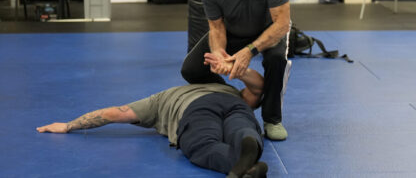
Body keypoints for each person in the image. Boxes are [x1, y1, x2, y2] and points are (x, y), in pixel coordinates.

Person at [37, 61, 268, 178]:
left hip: (195, 110)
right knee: (241, 124)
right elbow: (258, 89)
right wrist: (236, 69)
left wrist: (68, 125)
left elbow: (116, 113)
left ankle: (241, 166)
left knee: (202, 145)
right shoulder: (224, 87)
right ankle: (247, 140)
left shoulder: (161, 99)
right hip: (234, 103)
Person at [181, 0, 291, 141]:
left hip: (268, 30)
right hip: (232, 30)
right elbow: (216, 27)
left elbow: (282, 23)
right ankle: (236, 97)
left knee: (276, 61)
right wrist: (219, 56)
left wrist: (249, 51)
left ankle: (272, 119)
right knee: (191, 69)